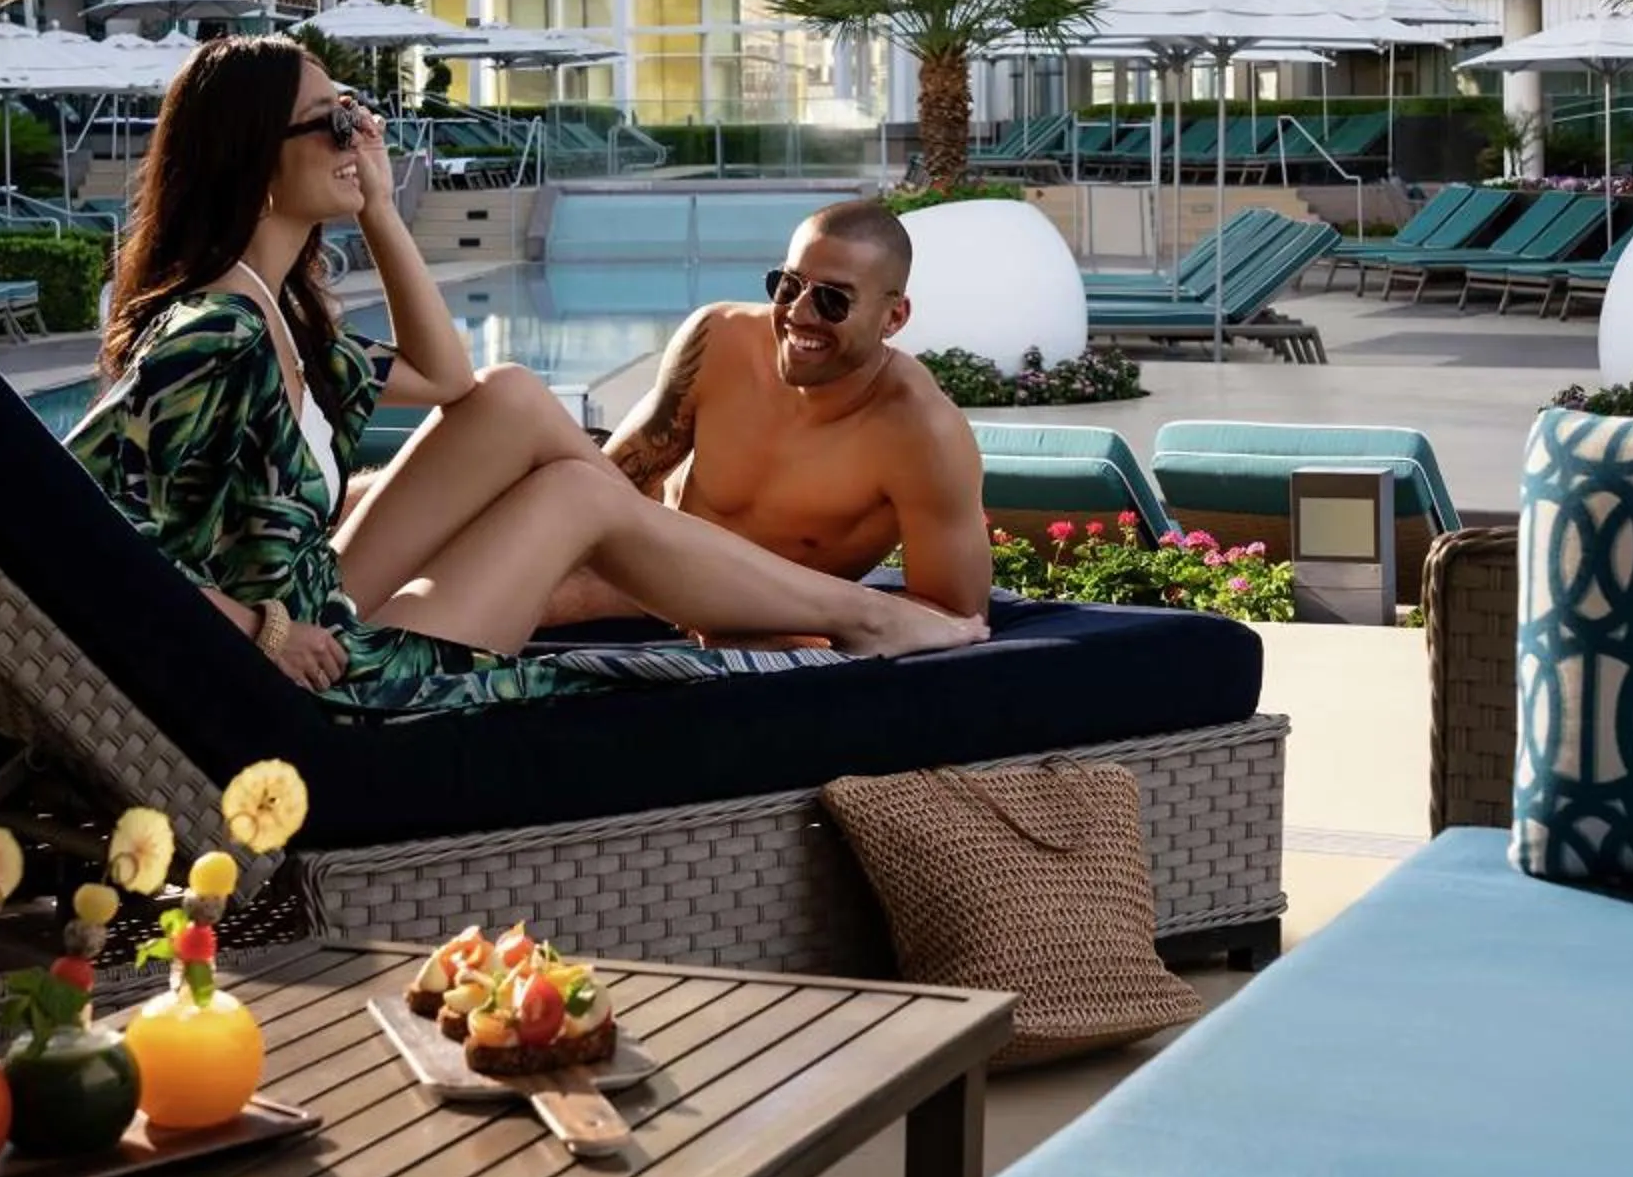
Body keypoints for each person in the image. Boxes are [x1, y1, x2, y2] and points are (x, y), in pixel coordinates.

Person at [66, 36, 984, 717]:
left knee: (511, 394)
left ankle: (794, 612)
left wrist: (381, 205)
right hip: (309, 675)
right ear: (253, 153)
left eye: (355, 109)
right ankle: (858, 618)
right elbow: (75, 521)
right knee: (578, 497)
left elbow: (446, 373)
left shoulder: (279, 314)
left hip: (317, 602)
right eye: (334, 121)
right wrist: (259, 631)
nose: (359, 132)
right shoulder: (213, 332)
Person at [555, 200, 992, 626]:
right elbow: (610, 483)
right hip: (646, 566)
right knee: (520, 420)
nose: (799, 314)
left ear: (893, 318)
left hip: (760, 610)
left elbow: (958, 616)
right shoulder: (718, 339)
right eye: (787, 286)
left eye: (832, 300)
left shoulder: (921, 433)